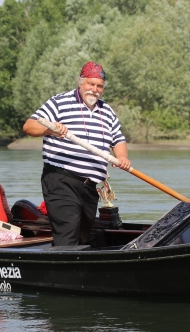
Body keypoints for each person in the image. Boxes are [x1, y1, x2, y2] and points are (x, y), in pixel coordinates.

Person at [23, 62, 131, 246]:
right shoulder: (59, 102)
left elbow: (118, 140)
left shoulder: (107, 111)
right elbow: (29, 126)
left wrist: (122, 157)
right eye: (91, 84)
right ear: (80, 83)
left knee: (82, 238)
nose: (95, 90)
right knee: (68, 236)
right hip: (61, 180)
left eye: (99, 86)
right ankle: (62, 273)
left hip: (89, 187)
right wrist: (51, 130)